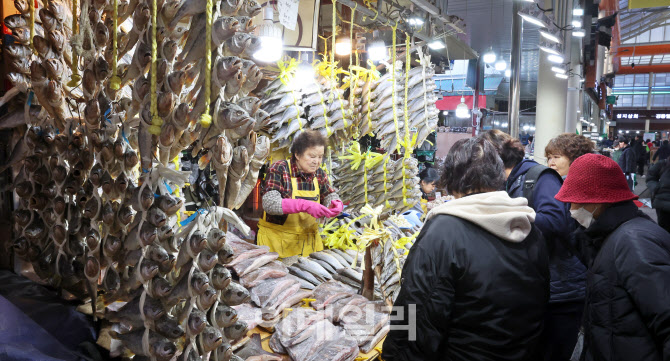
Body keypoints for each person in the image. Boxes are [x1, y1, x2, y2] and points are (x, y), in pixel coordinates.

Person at [382, 138, 549, 361]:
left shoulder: (443, 231)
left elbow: (416, 310)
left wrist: (396, 354)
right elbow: (542, 300)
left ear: (452, 179)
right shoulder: (529, 226)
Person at [555, 154, 670, 361]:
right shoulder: (607, 237)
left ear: (600, 201)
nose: (571, 209)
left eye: (576, 201)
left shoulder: (634, 243)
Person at [482, 130, 583, 361]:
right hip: (535, 288)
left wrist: (507, 217)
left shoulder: (539, 177)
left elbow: (556, 221)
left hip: (560, 291)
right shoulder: (506, 182)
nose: (552, 162)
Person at [257, 130, 343, 257]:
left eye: (320, 157)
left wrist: (335, 202)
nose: (317, 161)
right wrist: (305, 205)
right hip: (278, 244)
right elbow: (270, 203)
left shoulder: (319, 173)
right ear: (297, 154)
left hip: (308, 244)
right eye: (312, 156)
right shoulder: (279, 169)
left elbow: (329, 194)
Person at [647, 158, 670, 233]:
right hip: (663, 204)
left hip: (662, 202)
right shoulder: (663, 164)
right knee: (664, 230)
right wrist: (656, 188)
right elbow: (650, 177)